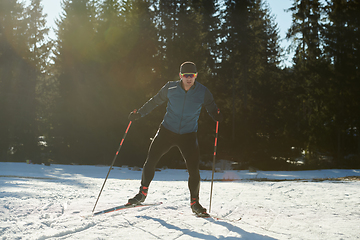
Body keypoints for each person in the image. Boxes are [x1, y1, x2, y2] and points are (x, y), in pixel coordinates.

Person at [127, 61, 223, 216]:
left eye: (192, 75)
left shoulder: (202, 91)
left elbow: (211, 106)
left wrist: (216, 115)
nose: (189, 78)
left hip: (188, 135)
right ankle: (142, 194)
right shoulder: (170, 88)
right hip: (167, 131)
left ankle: (195, 203)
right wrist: (140, 113)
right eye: (186, 75)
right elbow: (155, 101)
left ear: (196, 75)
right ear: (180, 76)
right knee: (151, 160)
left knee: (193, 170)